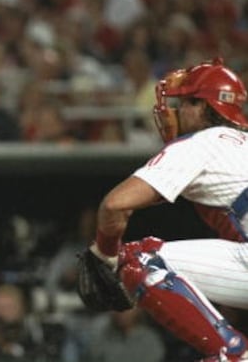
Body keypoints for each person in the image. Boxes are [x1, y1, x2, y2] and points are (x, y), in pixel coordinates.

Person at [87, 57, 248, 361]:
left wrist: (105, 254)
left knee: (140, 260)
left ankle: (233, 354)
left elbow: (115, 204)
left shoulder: (201, 143)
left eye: (185, 102)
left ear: (205, 107)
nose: (176, 111)